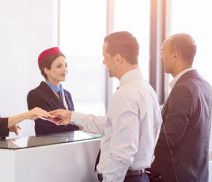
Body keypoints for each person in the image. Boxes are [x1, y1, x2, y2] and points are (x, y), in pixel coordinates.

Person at [48, 31, 162, 182]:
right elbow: (113, 125)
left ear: (118, 59)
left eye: (105, 56)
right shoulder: (147, 90)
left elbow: (123, 153)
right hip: (139, 176)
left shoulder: (125, 95)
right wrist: (72, 116)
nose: (103, 62)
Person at [151, 33, 212, 182]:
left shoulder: (183, 89)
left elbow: (167, 139)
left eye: (163, 52)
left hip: (176, 176)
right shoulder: (205, 85)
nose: (161, 58)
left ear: (175, 56)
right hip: (197, 175)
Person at [27, 47, 79, 135]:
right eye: (59, 66)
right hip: (48, 146)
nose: (65, 70)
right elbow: (49, 126)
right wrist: (80, 125)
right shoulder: (35, 95)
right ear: (46, 70)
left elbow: (72, 119)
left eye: (66, 65)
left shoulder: (67, 94)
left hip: (70, 144)